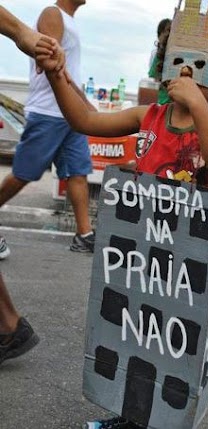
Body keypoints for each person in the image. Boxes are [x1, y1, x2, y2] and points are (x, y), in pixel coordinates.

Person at [39, 5, 208, 427]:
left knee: (175, 350)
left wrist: (198, 106)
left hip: (187, 266)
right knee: (135, 339)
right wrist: (58, 75)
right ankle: (130, 414)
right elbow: (84, 119)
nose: (186, 72)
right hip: (141, 256)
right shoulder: (146, 117)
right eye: (177, 61)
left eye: (199, 66)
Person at [0, 0, 95, 254]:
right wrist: (84, 103)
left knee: (77, 171)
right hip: (49, 112)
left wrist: (82, 105)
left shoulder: (70, 21)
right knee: (24, 173)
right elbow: (53, 64)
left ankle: (84, 234)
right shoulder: (54, 14)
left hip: (69, 114)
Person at [0, 4, 65, 366]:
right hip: (49, 110)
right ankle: (8, 325)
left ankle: (9, 326)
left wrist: (22, 33)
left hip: (55, 110)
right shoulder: (54, 13)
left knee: (39, 173)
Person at [148, 18, 172, 105]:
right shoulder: (157, 55)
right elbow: (153, 80)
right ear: (160, 34)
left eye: (171, 31)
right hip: (159, 103)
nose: (168, 34)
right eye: (167, 30)